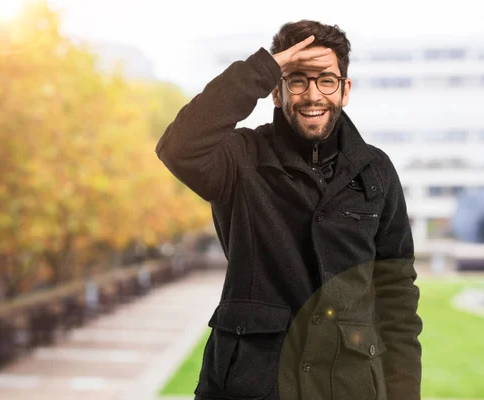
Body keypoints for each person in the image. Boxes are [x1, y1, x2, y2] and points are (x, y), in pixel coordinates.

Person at [156, 20, 422, 400]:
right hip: (250, 385)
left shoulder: (376, 171)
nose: (312, 95)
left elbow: (396, 294)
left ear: (345, 91)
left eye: (326, 81)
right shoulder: (240, 159)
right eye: (296, 80)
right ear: (276, 93)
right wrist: (263, 68)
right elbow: (179, 146)